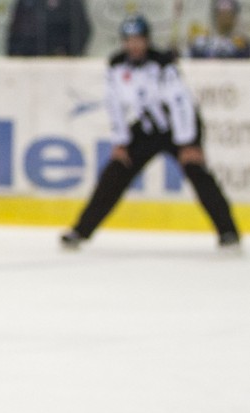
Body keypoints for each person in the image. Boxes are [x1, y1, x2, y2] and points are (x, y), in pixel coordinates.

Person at [61, 14, 241, 250]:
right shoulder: (117, 66)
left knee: (197, 171)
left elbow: (181, 103)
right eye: (129, 40)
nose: (134, 45)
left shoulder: (163, 64)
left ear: (147, 41)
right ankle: (80, 231)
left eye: (139, 40)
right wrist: (121, 141)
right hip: (146, 129)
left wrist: (189, 142)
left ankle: (228, 232)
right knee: (115, 173)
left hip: (178, 127)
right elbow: (114, 105)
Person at [6, 0, 90, 56]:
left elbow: (82, 30)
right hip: (30, 59)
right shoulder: (26, 3)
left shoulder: (72, 4)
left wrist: (68, 52)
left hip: (64, 61)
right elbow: (17, 30)